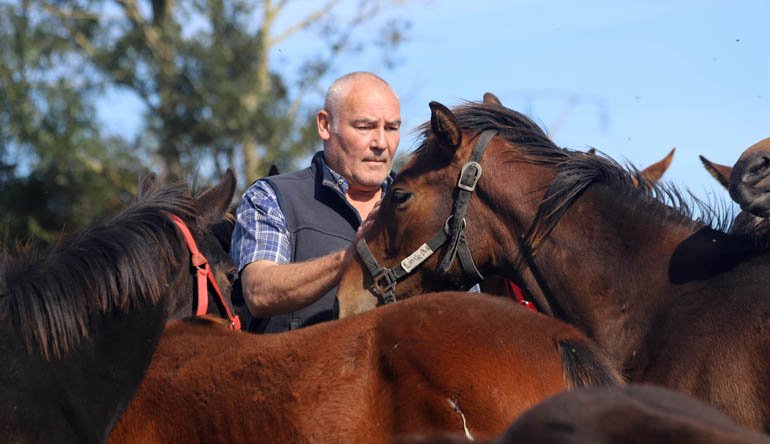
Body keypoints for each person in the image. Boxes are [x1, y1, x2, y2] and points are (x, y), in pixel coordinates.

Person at [230, 71, 401, 333]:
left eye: (392, 128)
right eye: (364, 127)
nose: (381, 143)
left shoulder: (425, 206)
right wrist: (351, 257)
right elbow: (259, 291)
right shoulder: (273, 196)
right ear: (325, 125)